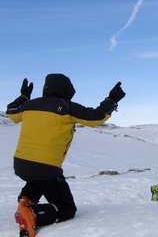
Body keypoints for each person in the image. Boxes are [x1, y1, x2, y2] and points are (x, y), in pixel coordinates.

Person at [6, 74, 125, 237]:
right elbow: (96, 117)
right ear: (67, 90)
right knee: (67, 208)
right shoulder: (67, 107)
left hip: (20, 164)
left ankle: (26, 199)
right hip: (46, 168)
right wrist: (112, 99)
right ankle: (32, 214)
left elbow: (10, 112)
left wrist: (24, 96)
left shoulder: (29, 105)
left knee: (38, 181)